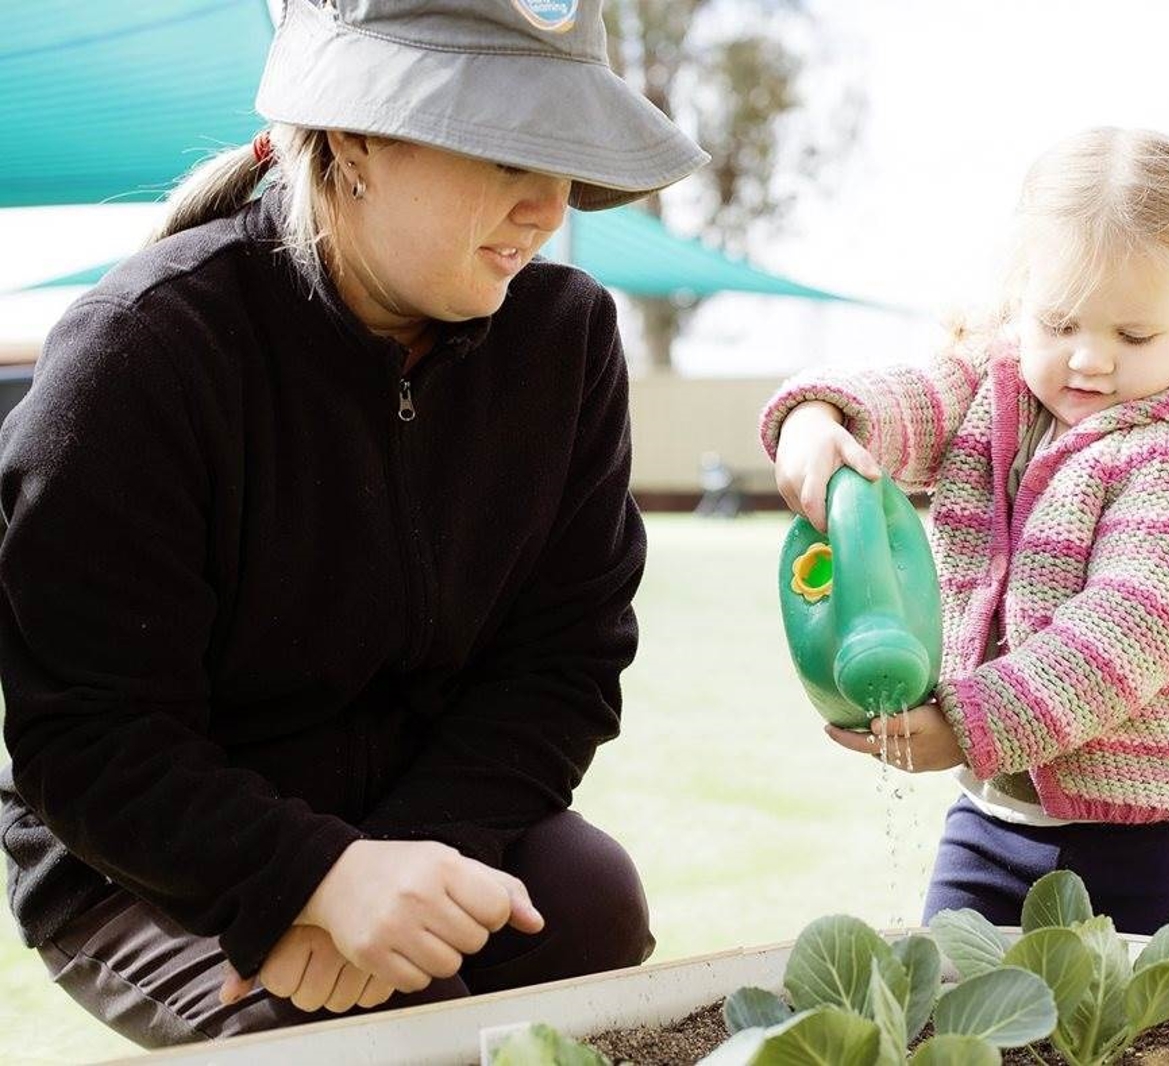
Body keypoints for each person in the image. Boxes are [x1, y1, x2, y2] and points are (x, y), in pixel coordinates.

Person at [0, 0, 707, 1048]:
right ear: (358, 137)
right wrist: (303, 880)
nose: (548, 207)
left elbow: (563, 659)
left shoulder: (566, 344)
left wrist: (388, 869)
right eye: (508, 150)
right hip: (148, 851)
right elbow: (89, 737)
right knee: (389, 1027)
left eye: (564, 158)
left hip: (415, 794)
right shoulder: (139, 356)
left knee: (589, 898)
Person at [760, 128, 1169, 934]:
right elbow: (912, 401)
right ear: (1018, 299)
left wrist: (966, 724)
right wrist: (823, 417)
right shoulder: (995, 389)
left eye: (1134, 336)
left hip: (1150, 844)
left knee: (1135, 1043)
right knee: (959, 1030)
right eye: (1059, 322)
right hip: (991, 828)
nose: (1088, 360)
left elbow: (1116, 639)